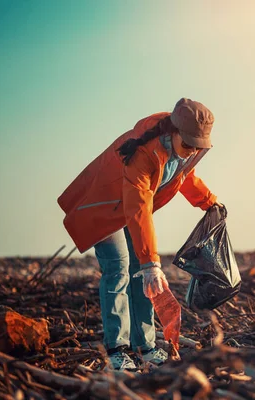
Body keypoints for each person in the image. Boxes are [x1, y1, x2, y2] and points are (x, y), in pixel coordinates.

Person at [57, 98, 224, 370]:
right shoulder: (143, 153)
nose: (192, 150)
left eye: (198, 145)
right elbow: (138, 207)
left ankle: (145, 347)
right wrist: (151, 262)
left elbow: (184, 176)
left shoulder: (181, 151)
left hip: (131, 212)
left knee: (142, 275)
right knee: (119, 267)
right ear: (174, 131)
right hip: (104, 208)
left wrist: (208, 201)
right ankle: (116, 351)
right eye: (189, 143)